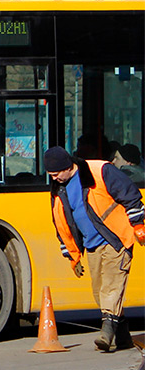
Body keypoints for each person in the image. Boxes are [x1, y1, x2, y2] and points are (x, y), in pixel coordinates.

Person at [44, 146, 144, 352]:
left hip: (116, 238)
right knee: (99, 292)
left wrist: (138, 224)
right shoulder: (58, 188)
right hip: (92, 246)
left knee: (112, 285)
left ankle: (106, 333)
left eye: (56, 174)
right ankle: (123, 335)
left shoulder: (99, 171)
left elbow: (130, 194)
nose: (54, 179)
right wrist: (72, 256)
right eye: (51, 175)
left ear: (67, 167)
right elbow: (61, 224)